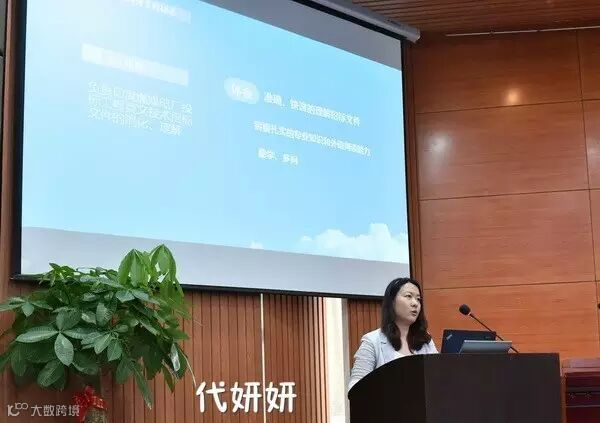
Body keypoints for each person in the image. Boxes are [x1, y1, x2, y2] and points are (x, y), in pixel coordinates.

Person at [348, 277, 437, 391]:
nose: (415, 303)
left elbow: (437, 377)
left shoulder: (425, 340)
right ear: (392, 301)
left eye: (418, 299)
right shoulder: (372, 341)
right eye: (408, 296)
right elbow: (355, 387)